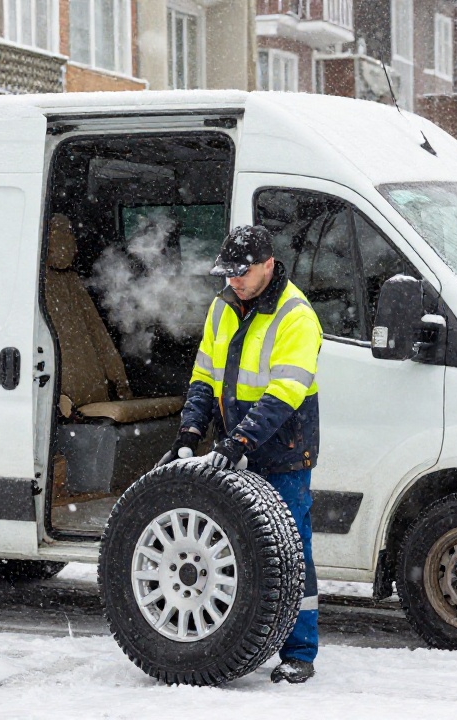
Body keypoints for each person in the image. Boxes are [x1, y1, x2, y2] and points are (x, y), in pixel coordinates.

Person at [157, 225, 324, 684]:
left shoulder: (296, 315)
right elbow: (204, 376)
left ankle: (299, 652)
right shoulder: (222, 307)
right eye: (227, 273)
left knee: (291, 552)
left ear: (268, 265)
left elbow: (284, 393)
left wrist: (238, 442)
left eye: (242, 273)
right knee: (243, 550)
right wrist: (190, 432)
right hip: (239, 446)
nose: (233, 281)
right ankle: (243, 638)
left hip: (284, 451)